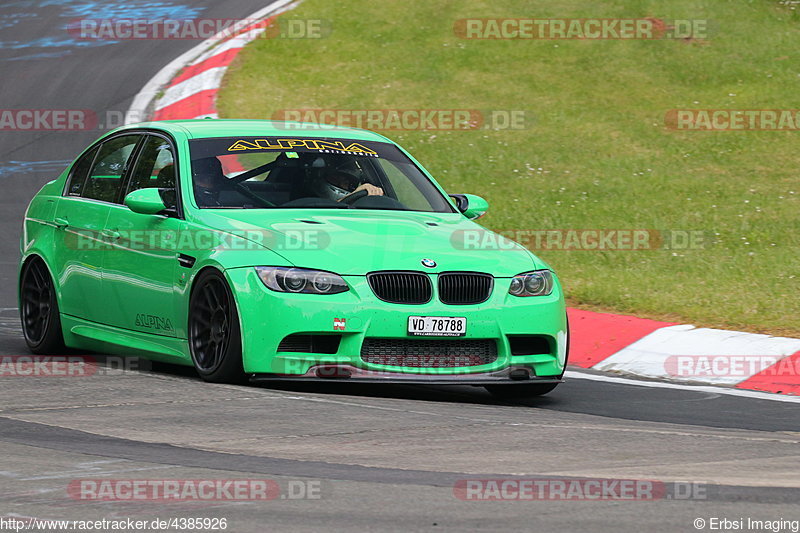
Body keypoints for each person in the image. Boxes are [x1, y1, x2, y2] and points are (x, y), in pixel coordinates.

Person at [309, 156, 383, 202]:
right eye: (335, 179)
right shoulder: (305, 203)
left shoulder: (359, 207)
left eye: (348, 183)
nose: (342, 185)